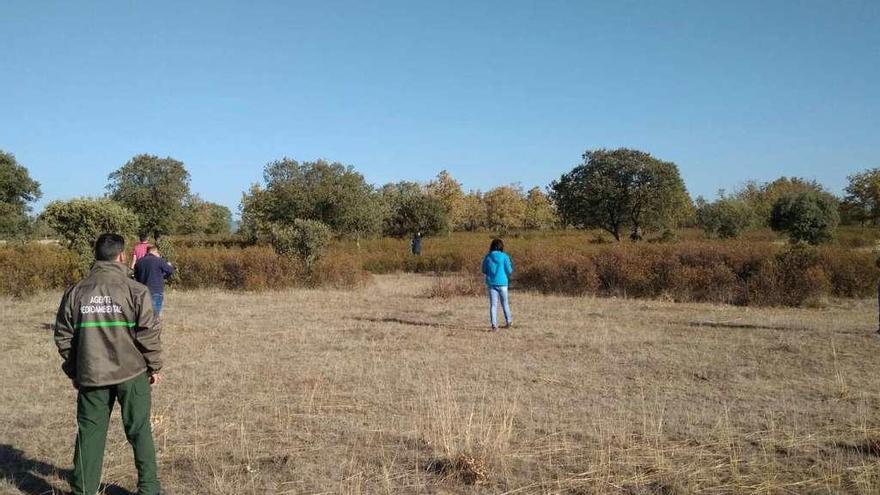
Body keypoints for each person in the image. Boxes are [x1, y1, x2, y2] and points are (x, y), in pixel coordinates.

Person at [54, 233, 164, 495]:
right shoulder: (136, 290)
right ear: (122, 256)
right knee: (139, 430)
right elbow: (148, 333)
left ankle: (83, 490)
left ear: (96, 256)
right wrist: (154, 366)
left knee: (89, 433)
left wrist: (75, 370)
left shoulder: (76, 292)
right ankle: (149, 489)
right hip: (132, 372)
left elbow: (63, 335)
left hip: (91, 375)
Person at [481, 238, 513, 331]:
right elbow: (509, 270)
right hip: (503, 283)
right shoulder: (505, 256)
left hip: (491, 283)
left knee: (493, 305)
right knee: (505, 303)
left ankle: (494, 325)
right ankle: (509, 321)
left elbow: (483, 270)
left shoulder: (487, 257)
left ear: (491, 246)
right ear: (501, 246)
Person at [134, 245, 175, 316]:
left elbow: (136, 276)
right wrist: (167, 267)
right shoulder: (159, 260)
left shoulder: (139, 262)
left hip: (142, 292)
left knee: (144, 316)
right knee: (155, 316)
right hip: (156, 290)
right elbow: (170, 270)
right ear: (155, 251)